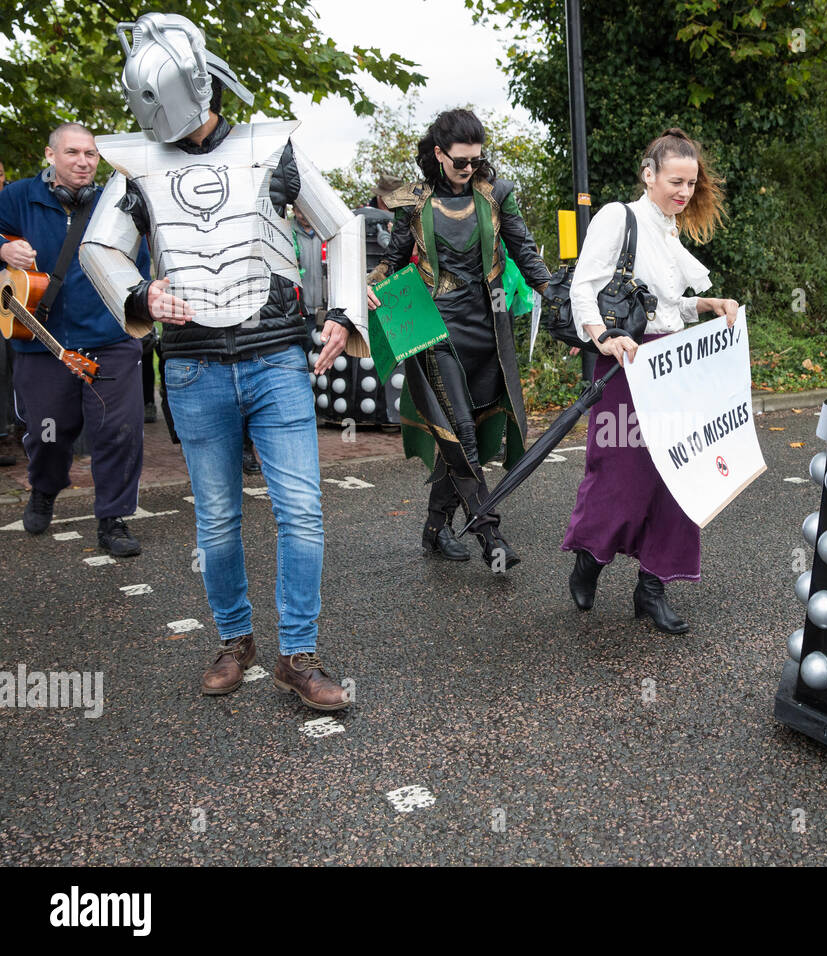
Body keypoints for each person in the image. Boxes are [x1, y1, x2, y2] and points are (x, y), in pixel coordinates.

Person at [80, 12, 369, 711]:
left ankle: (297, 654)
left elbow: (343, 223)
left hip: (274, 360)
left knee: (301, 509)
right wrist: (140, 292)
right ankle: (235, 639)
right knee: (214, 517)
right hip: (191, 366)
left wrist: (343, 313)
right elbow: (98, 247)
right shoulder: (139, 165)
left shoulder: (273, 148)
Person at [562, 128, 739, 634]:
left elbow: (664, 305)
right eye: (675, 182)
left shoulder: (669, 229)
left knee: (680, 478)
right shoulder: (618, 217)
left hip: (676, 366)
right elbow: (585, 287)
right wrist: (601, 337)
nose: (684, 193)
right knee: (620, 475)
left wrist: (708, 304)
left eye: (691, 183)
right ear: (649, 174)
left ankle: (652, 588)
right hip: (627, 361)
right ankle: (591, 559)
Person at [367, 109, 551, 570]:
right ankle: (490, 536)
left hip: (488, 330)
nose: (469, 168)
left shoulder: (497, 195)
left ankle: (434, 528)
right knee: (461, 430)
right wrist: (369, 282)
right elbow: (391, 259)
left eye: (475, 160)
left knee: (470, 429)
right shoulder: (411, 201)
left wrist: (557, 296)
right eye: (460, 161)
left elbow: (524, 251)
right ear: (438, 154)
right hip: (436, 329)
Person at [0, 124, 150, 554]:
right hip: (40, 341)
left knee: (118, 432)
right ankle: (44, 489)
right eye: (73, 153)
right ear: (50, 155)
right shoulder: (17, 197)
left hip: (109, 339)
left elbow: (139, 261)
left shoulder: (116, 203)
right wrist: (3, 250)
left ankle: (113, 520)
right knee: (47, 433)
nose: (83, 162)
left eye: (91, 154)